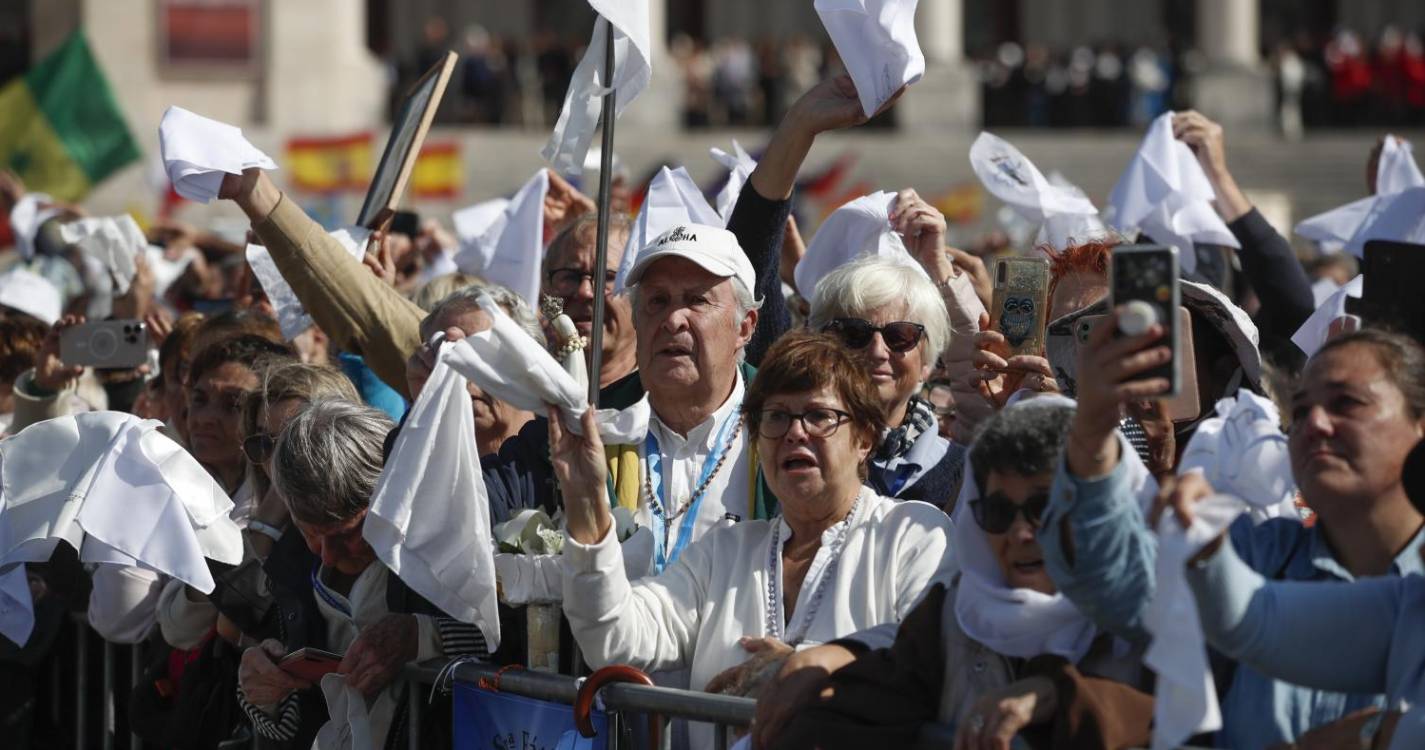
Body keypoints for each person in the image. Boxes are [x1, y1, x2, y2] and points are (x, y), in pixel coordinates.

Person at [550, 331, 954, 749]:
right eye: (776, 417)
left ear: (864, 438)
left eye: (819, 416)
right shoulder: (725, 552)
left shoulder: (913, 536)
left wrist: (809, 667)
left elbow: (932, 651)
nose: (795, 433)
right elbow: (611, 636)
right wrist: (585, 501)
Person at [1040, 324, 1425, 747]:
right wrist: (1092, 431)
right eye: (1299, 412)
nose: (1315, 423)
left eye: (1346, 403)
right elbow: (1125, 592)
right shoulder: (1258, 554)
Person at [752, 398, 1149, 750]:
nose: (1021, 533)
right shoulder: (951, 618)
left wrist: (1064, 698)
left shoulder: (1162, 614)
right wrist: (824, 669)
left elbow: (1186, 721)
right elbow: (863, 707)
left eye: (1044, 508)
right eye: (997, 512)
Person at [236, 399, 486, 750]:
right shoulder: (291, 568)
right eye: (310, 531)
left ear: (392, 500)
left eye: (346, 533)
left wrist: (426, 635)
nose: (326, 553)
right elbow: (293, 722)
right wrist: (264, 691)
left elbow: (515, 642)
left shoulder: (452, 550)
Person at [807, 255, 961, 502]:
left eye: (900, 335)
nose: (877, 351)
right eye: (854, 333)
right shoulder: (790, 450)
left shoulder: (963, 472)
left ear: (926, 363)